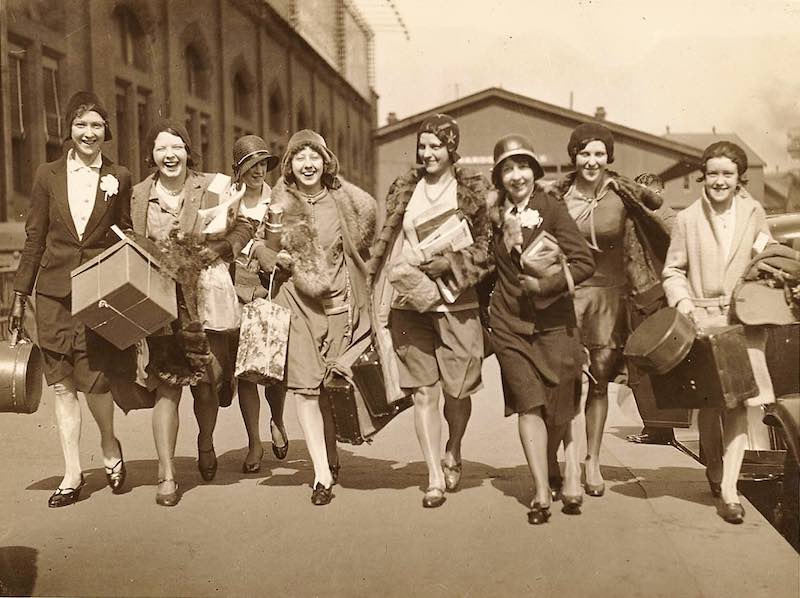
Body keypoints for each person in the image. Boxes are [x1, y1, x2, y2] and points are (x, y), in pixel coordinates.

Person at [9, 91, 131, 507]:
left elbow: (125, 234)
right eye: (81, 125)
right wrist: (19, 293)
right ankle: (72, 473)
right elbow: (34, 236)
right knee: (62, 385)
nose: (89, 133)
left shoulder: (121, 177)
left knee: (95, 381)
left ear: (106, 131)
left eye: (96, 125)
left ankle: (110, 444)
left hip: (98, 294)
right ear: (69, 130)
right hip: (55, 294)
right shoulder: (47, 175)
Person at [368, 114, 492, 508]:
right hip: (410, 302)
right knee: (424, 392)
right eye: (423, 146)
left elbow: (489, 247)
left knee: (457, 392)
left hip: (456, 302)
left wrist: (452, 262)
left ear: (451, 147)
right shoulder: (405, 189)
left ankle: (453, 446)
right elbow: (388, 244)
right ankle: (434, 475)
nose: (428, 153)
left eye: (436, 146)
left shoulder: (471, 190)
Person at [127, 119, 252, 505]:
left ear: (187, 152)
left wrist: (220, 250)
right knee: (166, 386)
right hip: (162, 301)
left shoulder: (213, 185)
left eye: (176, 147)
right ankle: (166, 475)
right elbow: (128, 237)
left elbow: (245, 225)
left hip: (206, 299)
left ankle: (206, 440)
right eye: (162, 148)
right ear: (151, 155)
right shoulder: (137, 194)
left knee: (206, 383)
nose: (169, 155)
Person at [251, 129, 376, 505]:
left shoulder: (344, 202)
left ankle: (332, 453)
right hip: (296, 304)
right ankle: (321, 473)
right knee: (305, 389)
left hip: (339, 303)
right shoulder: (280, 202)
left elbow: (364, 247)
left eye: (314, 157)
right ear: (289, 165)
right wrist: (274, 257)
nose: (307, 164)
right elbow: (258, 243)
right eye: (299, 158)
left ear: (326, 161)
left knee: (329, 388)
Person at [663, 141, 777, 524]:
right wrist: (684, 305)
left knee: (742, 404)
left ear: (739, 177)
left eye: (727, 174)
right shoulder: (688, 219)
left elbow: (767, 254)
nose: (719, 181)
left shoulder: (754, 212)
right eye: (713, 173)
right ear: (703, 176)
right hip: (704, 320)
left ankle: (730, 488)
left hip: (744, 321)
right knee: (711, 404)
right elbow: (673, 270)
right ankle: (714, 470)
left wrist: (771, 276)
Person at [555, 123, 669, 497]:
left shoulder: (621, 195)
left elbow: (656, 214)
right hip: (568, 296)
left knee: (599, 383)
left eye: (599, 154)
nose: (591, 161)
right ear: (574, 156)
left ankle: (593, 460)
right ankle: (569, 459)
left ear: (608, 157)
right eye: (584, 153)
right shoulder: (559, 196)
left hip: (609, 297)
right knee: (567, 382)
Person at [486, 134, 595, 523]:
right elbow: (481, 265)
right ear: (499, 177)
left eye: (522, 166)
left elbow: (584, 262)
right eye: (507, 169)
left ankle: (571, 473)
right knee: (528, 403)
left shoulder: (552, 207)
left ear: (534, 170)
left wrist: (545, 285)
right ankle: (539, 492)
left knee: (562, 404)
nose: (516, 176)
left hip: (554, 323)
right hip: (509, 324)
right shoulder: (492, 214)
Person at [227, 134, 289, 472]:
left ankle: (277, 420)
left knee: (273, 371)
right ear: (239, 169)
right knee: (246, 374)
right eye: (251, 164)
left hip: (270, 289)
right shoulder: (227, 201)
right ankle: (254, 442)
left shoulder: (277, 200)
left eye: (263, 164)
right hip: (235, 291)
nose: (258, 170)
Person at [625, 173, 684, 446]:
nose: (646, 196)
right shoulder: (635, 221)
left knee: (654, 364)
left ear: (660, 192)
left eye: (650, 191)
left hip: (659, 301)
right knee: (640, 367)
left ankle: (660, 429)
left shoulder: (669, 219)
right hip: (640, 301)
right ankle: (655, 427)